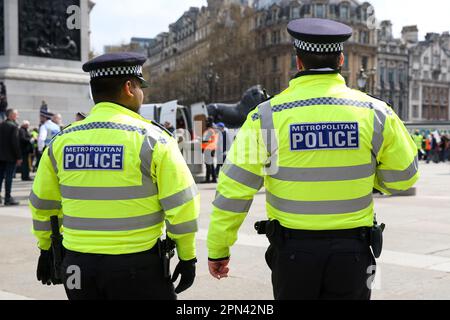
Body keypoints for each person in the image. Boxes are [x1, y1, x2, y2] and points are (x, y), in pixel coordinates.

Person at [207, 18, 419, 300]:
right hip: (353, 253)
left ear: (298, 62)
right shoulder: (375, 112)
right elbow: (404, 177)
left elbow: (234, 190)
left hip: (293, 253)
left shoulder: (266, 117)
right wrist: (370, 177)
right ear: (341, 59)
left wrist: (219, 248)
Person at [29, 52, 199, 300]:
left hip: (77, 266)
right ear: (129, 87)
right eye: (140, 86)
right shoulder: (154, 139)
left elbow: (43, 204)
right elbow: (182, 204)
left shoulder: (61, 142)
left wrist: (45, 249)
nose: (142, 93)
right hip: (137, 266)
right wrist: (187, 255)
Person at [0, 109, 23, 205]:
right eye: (16, 114)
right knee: (9, 178)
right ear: (12, 115)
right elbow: (15, 143)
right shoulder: (14, 126)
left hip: (1, 156)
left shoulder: (1, 125)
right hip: (11, 157)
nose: (17, 116)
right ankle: (8, 198)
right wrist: (19, 157)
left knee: (0, 177)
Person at [201, 118, 218, 184]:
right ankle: (214, 178)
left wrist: (200, 141)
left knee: (208, 165)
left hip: (208, 149)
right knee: (211, 164)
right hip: (212, 148)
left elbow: (205, 140)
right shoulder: (213, 131)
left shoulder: (209, 131)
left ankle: (207, 179)